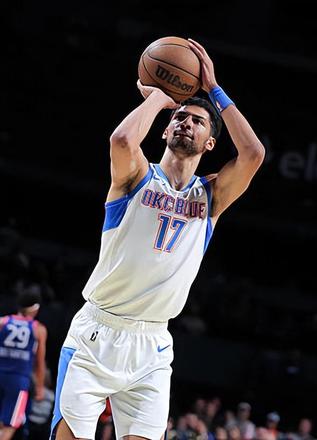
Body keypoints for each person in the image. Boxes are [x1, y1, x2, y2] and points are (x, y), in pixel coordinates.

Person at [50, 38, 265, 440]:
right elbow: (121, 141)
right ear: (166, 129)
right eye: (180, 117)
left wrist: (214, 89)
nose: (186, 122)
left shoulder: (211, 196)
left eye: (197, 121)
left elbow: (253, 154)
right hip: (97, 331)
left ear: (210, 142)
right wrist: (160, 99)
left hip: (152, 343)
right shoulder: (135, 176)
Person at [0, 290, 47, 440]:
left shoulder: (3, 322)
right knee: (10, 424)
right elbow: (40, 362)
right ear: (35, 309)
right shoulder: (38, 329)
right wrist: (40, 387)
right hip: (19, 380)